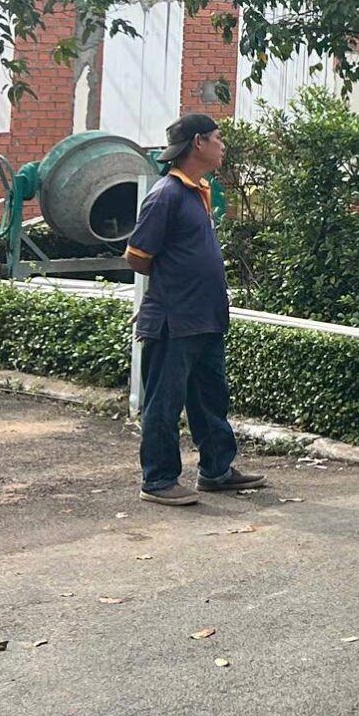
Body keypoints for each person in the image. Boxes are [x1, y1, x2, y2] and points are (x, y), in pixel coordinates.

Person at [125, 111, 265, 505]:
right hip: (174, 319)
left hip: (206, 317)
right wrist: (171, 287)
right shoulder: (166, 195)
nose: (223, 145)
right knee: (164, 404)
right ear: (198, 143)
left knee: (210, 399)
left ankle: (217, 470)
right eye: (218, 138)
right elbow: (137, 256)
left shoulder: (197, 191)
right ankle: (158, 481)